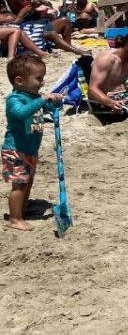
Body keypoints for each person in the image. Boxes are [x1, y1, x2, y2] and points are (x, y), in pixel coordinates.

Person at [4, 54, 65, 231]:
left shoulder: (33, 96)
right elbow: (21, 113)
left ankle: (22, 211)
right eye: (39, 78)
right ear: (19, 80)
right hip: (15, 150)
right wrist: (42, 99)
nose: (42, 82)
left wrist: (55, 102)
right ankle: (15, 218)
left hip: (30, 150)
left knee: (28, 182)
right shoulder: (14, 99)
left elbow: (50, 108)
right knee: (19, 185)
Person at [2, 0, 85, 56]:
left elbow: (30, 12)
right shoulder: (10, 2)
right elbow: (15, 21)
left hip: (38, 23)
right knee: (50, 33)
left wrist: (40, 7)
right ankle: (72, 50)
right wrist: (28, 9)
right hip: (28, 28)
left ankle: (68, 46)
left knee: (65, 21)